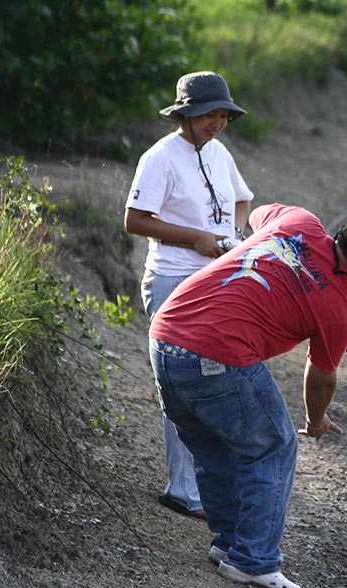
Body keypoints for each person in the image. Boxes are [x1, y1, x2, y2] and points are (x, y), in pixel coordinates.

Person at [148, 203, 347, 588]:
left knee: (212, 446)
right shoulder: (338, 312)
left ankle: (229, 544)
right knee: (275, 446)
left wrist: (252, 245)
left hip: (164, 337)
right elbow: (321, 379)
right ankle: (253, 561)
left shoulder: (299, 221)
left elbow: (258, 215)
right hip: (215, 354)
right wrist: (315, 421)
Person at [124, 71, 254, 519]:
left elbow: (242, 200)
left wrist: (232, 234)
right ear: (186, 113)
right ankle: (182, 491)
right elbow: (135, 220)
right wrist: (194, 238)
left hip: (215, 279)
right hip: (171, 281)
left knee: (209, 379)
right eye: (209, 115)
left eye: (223, 115)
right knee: (181, 386)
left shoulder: (219, 152)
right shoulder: (159, 157)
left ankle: (202, 487)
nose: (217, 123)